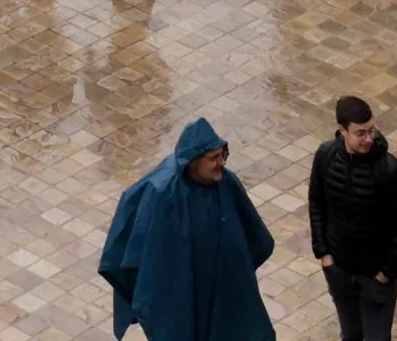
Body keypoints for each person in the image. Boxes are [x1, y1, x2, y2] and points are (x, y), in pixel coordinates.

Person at [100, 119, 278, 341]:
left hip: (224, 288)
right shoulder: (163, 194)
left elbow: (255, 237)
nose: (221, 162)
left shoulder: (226, 183)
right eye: (214, 158)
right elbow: (143, 257)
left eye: (223, 155)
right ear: (192, 161)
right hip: (181, 293)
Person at [307, 95, 397, 341]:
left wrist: (386, 273)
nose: (369, 139)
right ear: (342, 131)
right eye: (360, 133)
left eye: (371, 131)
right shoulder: (326, 156)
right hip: (340, 271)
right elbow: (317, 204)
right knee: (350, 336)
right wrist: (324, 255)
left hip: (375, 278)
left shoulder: (391, 170)